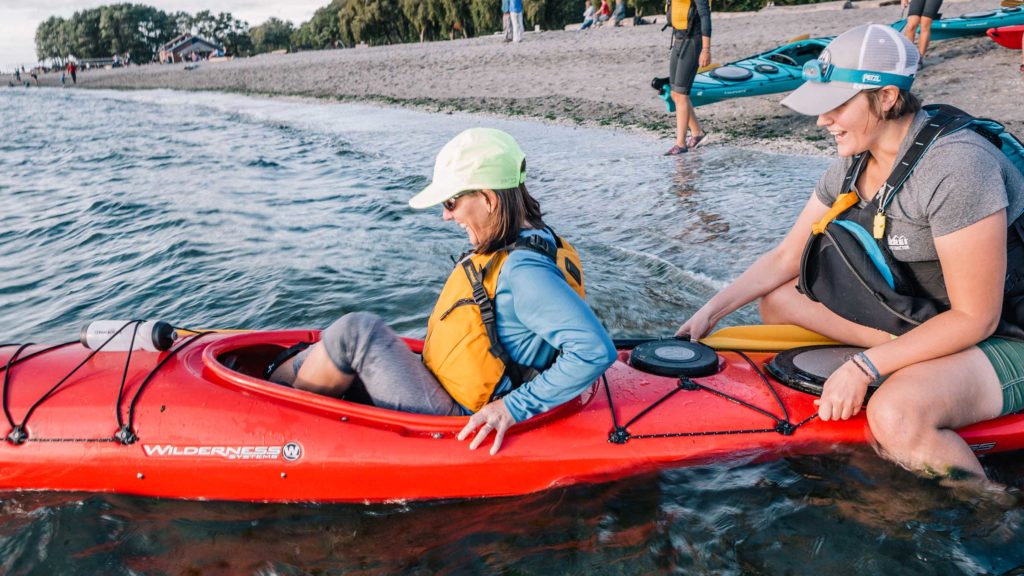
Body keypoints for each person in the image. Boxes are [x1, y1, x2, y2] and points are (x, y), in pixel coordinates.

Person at [676, 24, 1024, 479]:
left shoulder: (957, 166)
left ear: (885, 98)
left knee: (897, 415)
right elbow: (786, 257)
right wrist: (709, 313)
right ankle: (910, 358)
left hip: (1004, 332)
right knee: (777, 301)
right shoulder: (854, 160)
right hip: (929, 316)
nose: (822, 120)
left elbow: (976, 317)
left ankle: (994, 517)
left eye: (837, 105)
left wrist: (864, 368)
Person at [269, 128, 618, 455]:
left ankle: (284, 428)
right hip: (447, 383)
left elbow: (595, 351)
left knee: (355, 333)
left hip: (458, 414)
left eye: (450, 202)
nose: (445, 216)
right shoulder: (534, 238)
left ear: (487, 199)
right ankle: (271, 389)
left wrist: (512, 408)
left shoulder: (525, 271)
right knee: (334, 339)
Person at [664, 0, 711, 155]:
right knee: (675, 93)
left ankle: (680, 144)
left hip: (693, 41)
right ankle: (697, 133)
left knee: (682, 94)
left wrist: (706, 50)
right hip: (678, 40)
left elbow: (705, 17)